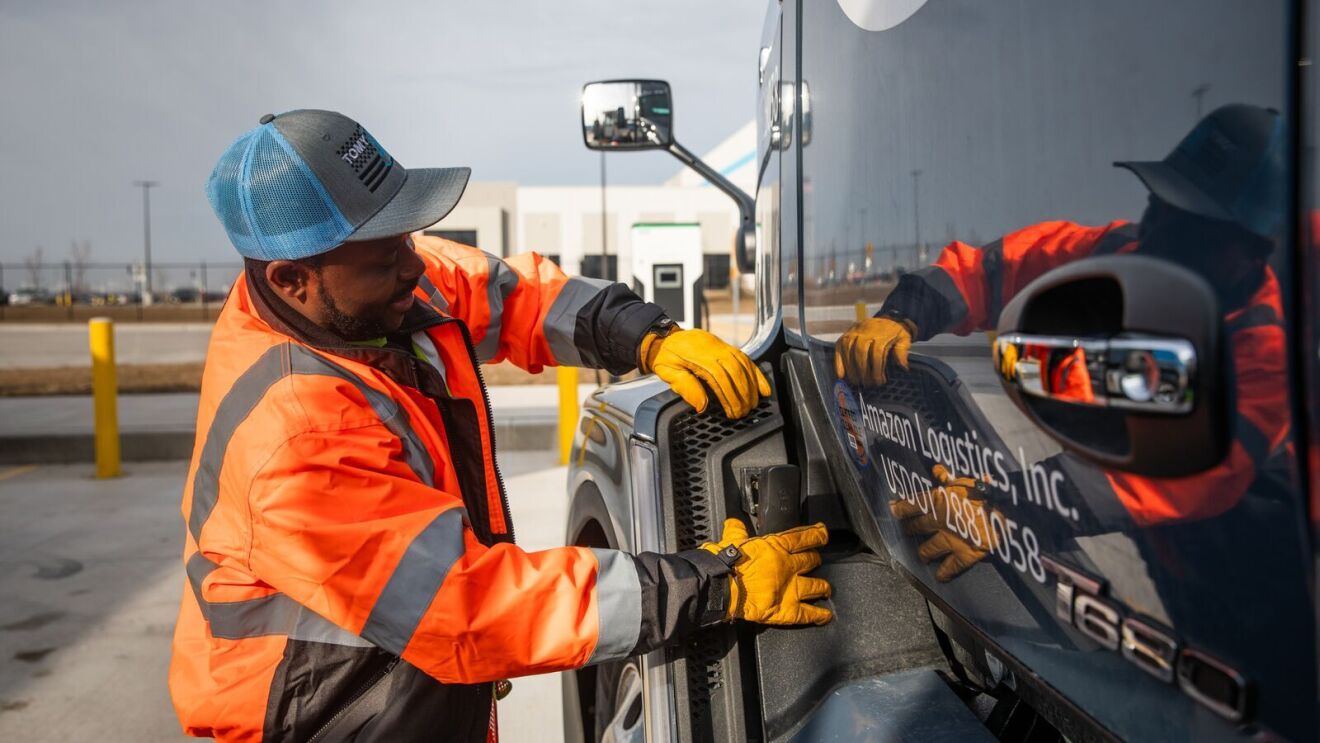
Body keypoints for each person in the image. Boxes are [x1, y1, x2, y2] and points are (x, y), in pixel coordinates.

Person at [169, 110, 833, 742]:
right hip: (332, 716)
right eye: (385, 257)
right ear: (291, 278)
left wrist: (648, 339)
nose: (414, 264)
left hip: (401, 681)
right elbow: (470, 607)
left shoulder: (362, 284)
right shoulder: (294, 438)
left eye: (404, 236)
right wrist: (715, 582)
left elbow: (515, 293)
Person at [835, 103, 1291, 578]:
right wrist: (904, 314)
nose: (1157, 230)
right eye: (1161, 202)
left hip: (1256, 572)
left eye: (1190, 227)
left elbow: (1178, 473)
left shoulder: (1263, 354)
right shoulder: (1120, 252)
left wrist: (1007, 509)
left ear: (1251, 250)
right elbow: (998, 269)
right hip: (1161, 554)